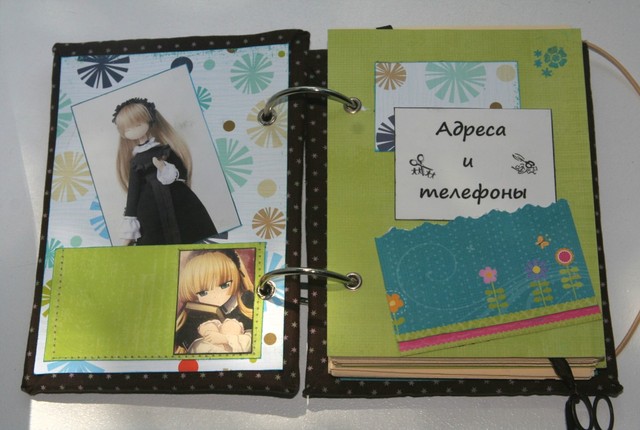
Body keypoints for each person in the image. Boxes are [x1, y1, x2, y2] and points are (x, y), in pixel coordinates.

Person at [113, 97, 217, 245]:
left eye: (138, 124)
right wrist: (129, 222)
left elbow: (182, 173)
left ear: (149, 121)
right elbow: (133, 194)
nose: (134, 130)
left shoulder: (165, 151)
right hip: (150, 212)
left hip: (180, 202)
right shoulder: (135, 163)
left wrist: (164, 168)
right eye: (128, 129)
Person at [174, 250, 255, 354]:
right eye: (203, 292)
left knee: (232, 326)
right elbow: (185, 337)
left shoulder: (247, 301)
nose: (214, 295)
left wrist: (226, 339)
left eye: (224, 285)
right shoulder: (194, 313)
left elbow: (256, 338)